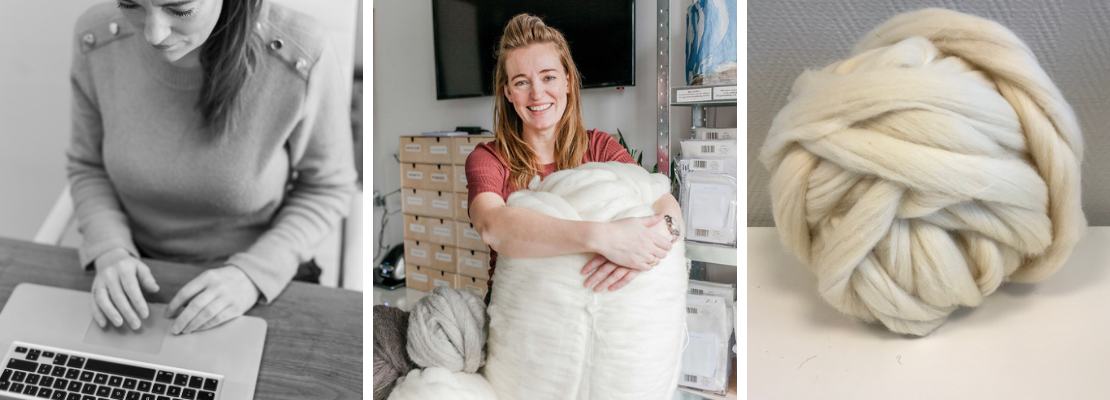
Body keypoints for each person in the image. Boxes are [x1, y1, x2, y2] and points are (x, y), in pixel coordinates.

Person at [68, 0, 356, 335]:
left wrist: (251, 275)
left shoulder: (300, 52)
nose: (154, 33)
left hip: (259, 273)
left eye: (179, 8)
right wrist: (109, 249)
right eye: (130, 4)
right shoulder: (96, 38)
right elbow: (87, 166)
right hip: (134, 267)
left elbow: (328, 187)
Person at [466, 14, 684, 303]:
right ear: (507, 92)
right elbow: (493, 226)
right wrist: (604, 238)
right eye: (521, 82)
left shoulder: (600, 146)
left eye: (548, 77)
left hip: (592, 309)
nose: (537, 93)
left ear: (567, 81)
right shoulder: (488, 158)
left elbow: (659, 199)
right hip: (517, 313)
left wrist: (661, 236)